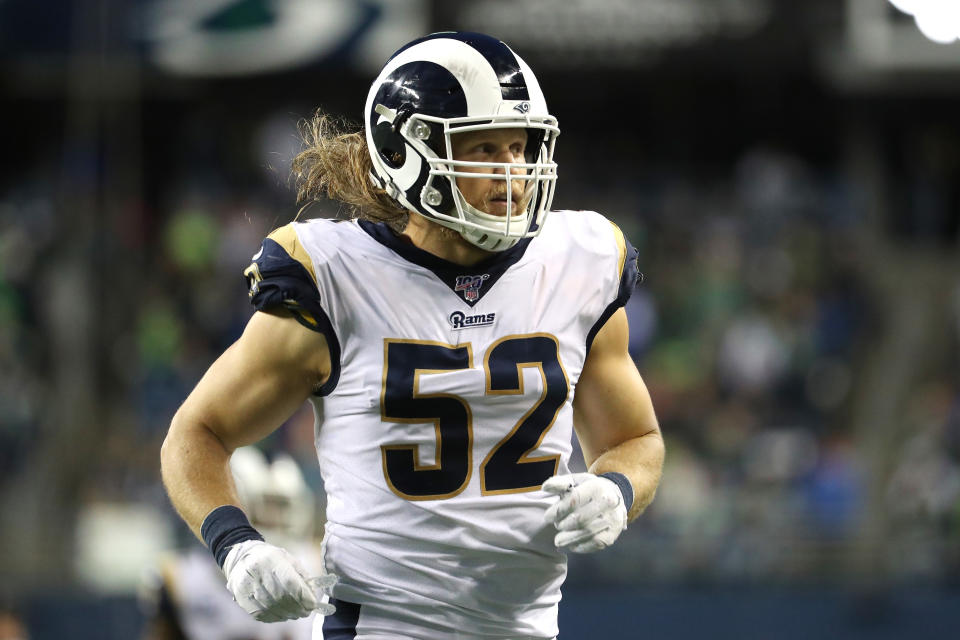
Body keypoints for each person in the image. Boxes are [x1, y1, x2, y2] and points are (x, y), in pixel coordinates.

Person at [161, 31, 665, 640]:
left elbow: (636, 438)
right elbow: (196, 433)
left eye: (521, 146)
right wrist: (236, 546)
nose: (514, 173)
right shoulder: (335, 278)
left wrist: (616, 488)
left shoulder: (580, 261)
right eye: (483, 149)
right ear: (408, 153)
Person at [142, 447, 322, 640]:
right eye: (265, 508)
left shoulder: (318, 566)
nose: (274, 520)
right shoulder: (181, 580)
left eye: (281, 508)